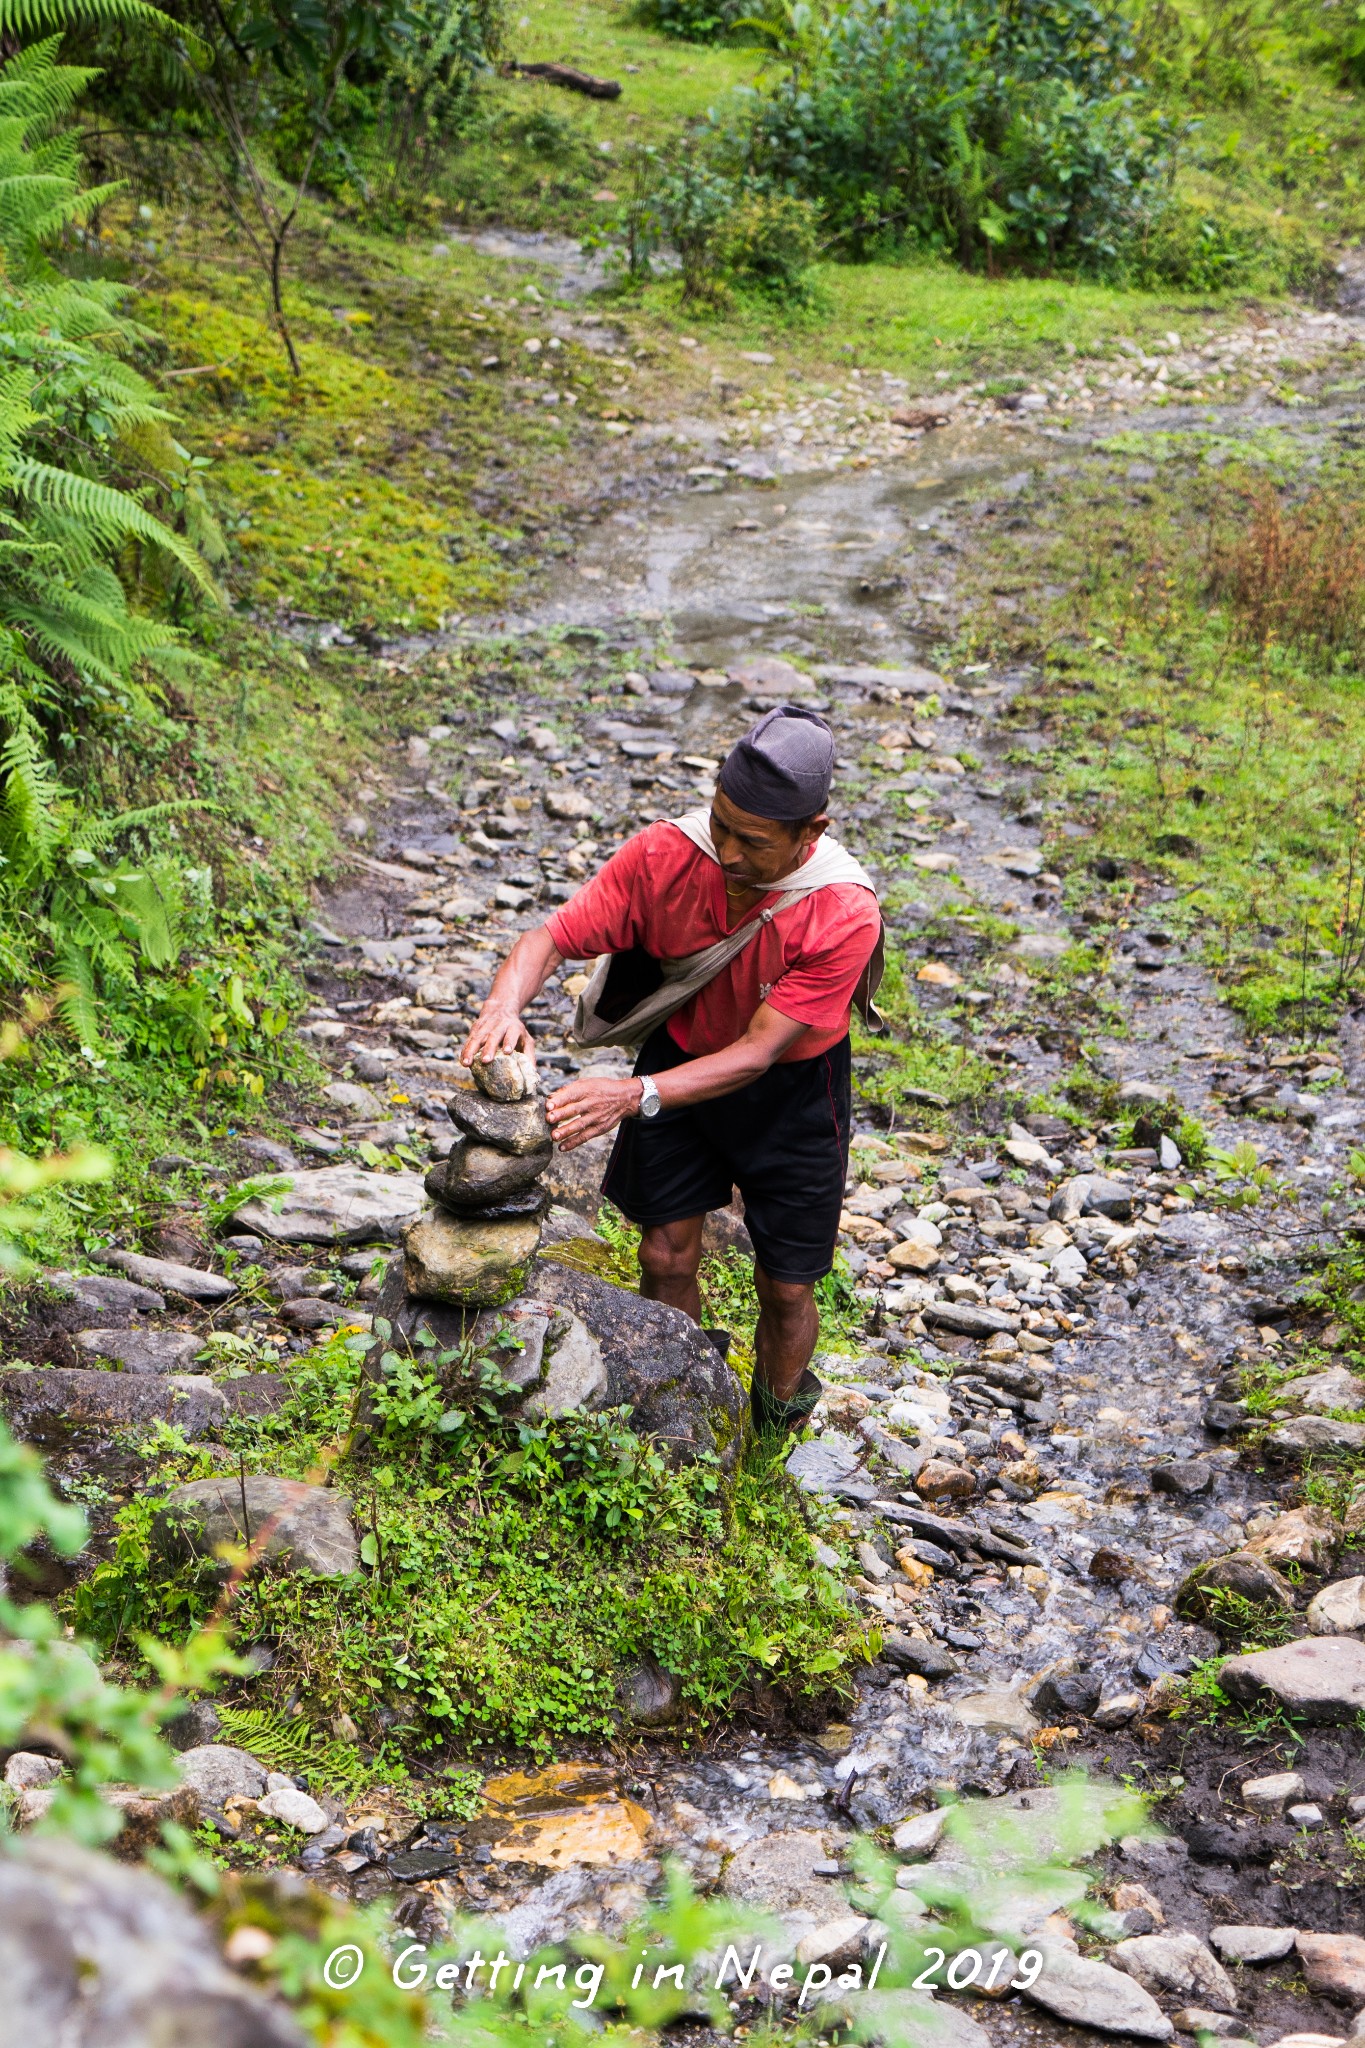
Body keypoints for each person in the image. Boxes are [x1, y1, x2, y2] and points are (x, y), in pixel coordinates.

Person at [461, 703, 882, 1439]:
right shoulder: (664, 855)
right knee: (662, 1252)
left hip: (790, 1094)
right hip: (680, 1058)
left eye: (752, 842)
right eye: (719, 824)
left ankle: (770, 1439)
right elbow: (549, 937)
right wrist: (503, 1005)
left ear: (811, 833)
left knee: (786, 1286)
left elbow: (757, 1052)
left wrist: (630, 1094)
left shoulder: (841, 911)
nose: (725, 852)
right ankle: (683, 1412)